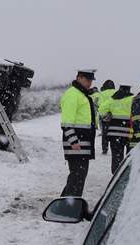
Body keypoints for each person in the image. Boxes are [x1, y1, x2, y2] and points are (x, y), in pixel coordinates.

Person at [60, 69, 97, 197]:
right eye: (87, 80)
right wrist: (73, 141)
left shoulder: (82, 94)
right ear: (79, 78)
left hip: (83, 144)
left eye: (91, 80)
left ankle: (69, 205)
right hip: (77, 144)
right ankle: (67, 206)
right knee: (77, 176)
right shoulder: (73, 94)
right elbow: (66, 122)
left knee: (78, 177)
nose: (89, 83)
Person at [98, 85, 134, 174]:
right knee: (130, 157)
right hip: (129, 132)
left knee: (116, 157)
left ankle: (116, 175)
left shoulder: (112, 99)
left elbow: (101, 110)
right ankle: (128, 175)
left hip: (115, 133)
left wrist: (109, 113)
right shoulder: (133, 99)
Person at [98, 80, 116, 154]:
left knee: (105, 133)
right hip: (115, 116)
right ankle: (114, 147)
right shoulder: (116, 92)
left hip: (106, 116)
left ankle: (105, 148)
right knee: (114, 132)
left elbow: (100, 104)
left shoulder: (102, 94)